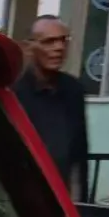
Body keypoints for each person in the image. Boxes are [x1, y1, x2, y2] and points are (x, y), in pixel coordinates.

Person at [14, 15, 90, 201]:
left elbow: (79, 155)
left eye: (63, 40)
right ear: (30, 47)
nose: (59, 48)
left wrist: (82, 209)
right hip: (23, 199)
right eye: (49, 41)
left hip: (62, 200)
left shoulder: (74, 90)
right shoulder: (13, 92)